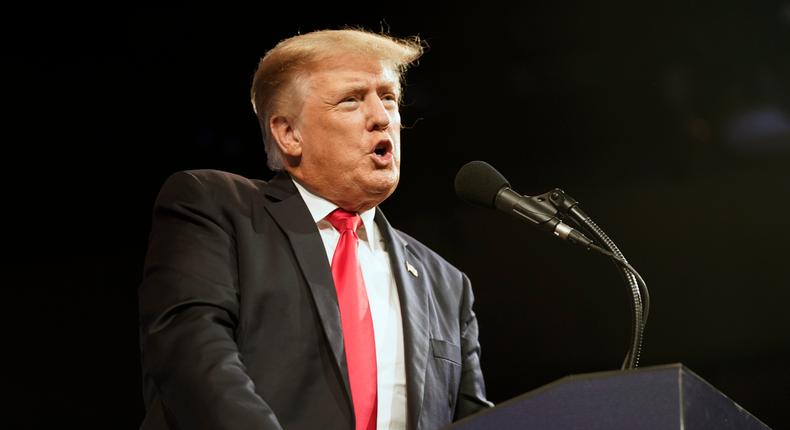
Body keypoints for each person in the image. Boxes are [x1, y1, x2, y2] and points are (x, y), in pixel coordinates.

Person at [138, 28, 492, 430]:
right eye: (351, 100)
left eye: (389, 97)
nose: (382, 118)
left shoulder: (445, 284)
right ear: (288, 133)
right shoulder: (215, 209)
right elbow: (194, 361)